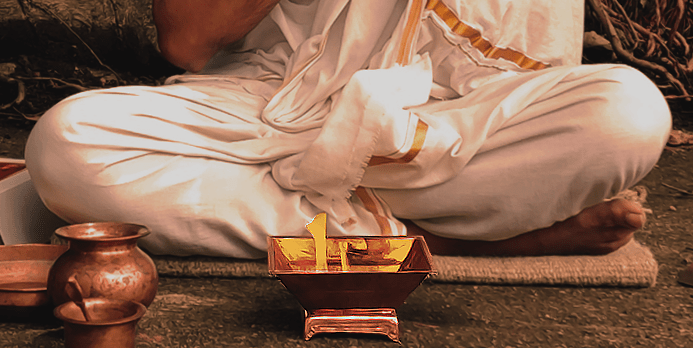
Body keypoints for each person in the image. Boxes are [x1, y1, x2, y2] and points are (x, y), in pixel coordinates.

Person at [24, 0, 671, 259]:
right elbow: (186, 41)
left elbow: (525, 75)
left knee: (627, 114)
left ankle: (350, 224)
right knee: (67, 147)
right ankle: (458, 246)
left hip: (445, 124)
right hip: (259, 106)